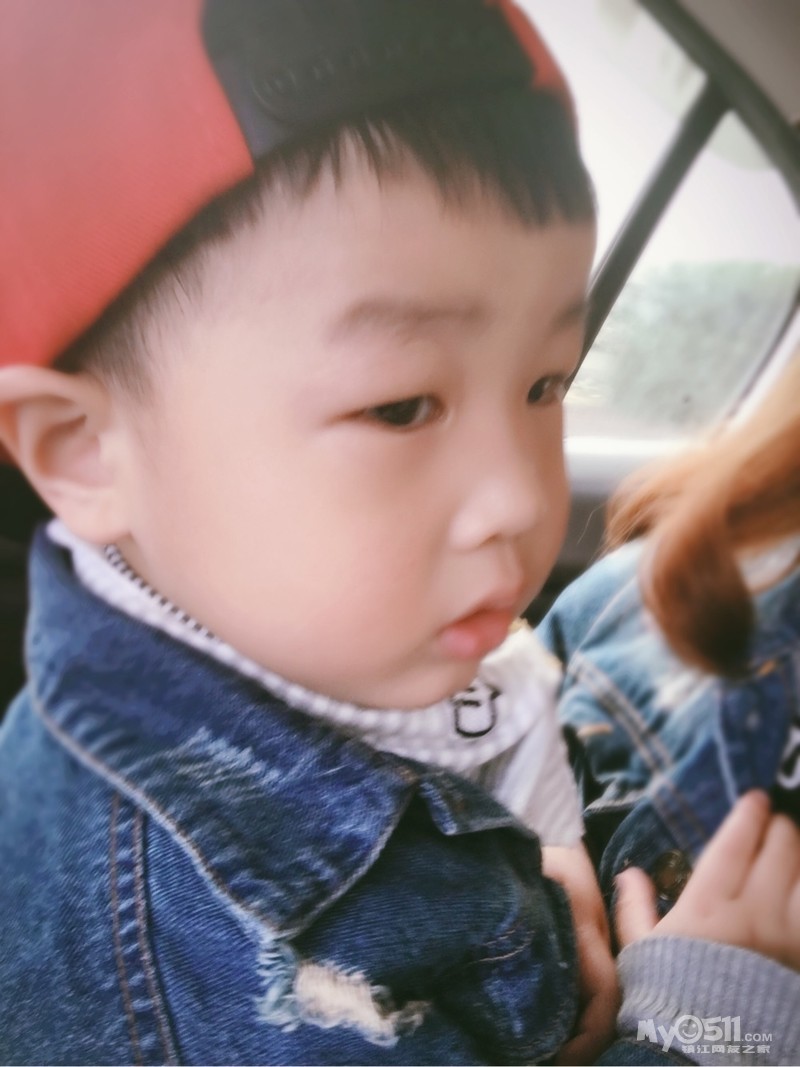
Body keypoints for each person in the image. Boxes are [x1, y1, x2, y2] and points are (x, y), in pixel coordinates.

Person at [0, 2, 794, 1063]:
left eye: (545, 384)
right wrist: (710, 1019)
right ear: (88, 452)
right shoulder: (250, 967)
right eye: (400, 406)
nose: (521, 497)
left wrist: (544, 852)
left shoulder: (305, 633)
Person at [540, 355, 800, 1063]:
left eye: (542, 389)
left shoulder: (641, 590)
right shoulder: (640, 600)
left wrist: (701, 1024)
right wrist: (541, 843)